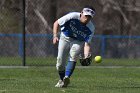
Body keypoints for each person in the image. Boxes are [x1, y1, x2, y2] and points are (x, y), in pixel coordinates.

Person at [53, 6, 95, 88]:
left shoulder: (91, 28)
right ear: (81, 13)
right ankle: (62, 80)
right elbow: (56, 23)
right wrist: (55, 36)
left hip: (78, 41)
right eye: (86, 15)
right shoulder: (72, 16)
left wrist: (86, 55)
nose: (87, 18)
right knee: (60, 63)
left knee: (74, 55)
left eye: (89, 17)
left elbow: (87, 44)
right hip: (65, 37)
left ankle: (67, 77)